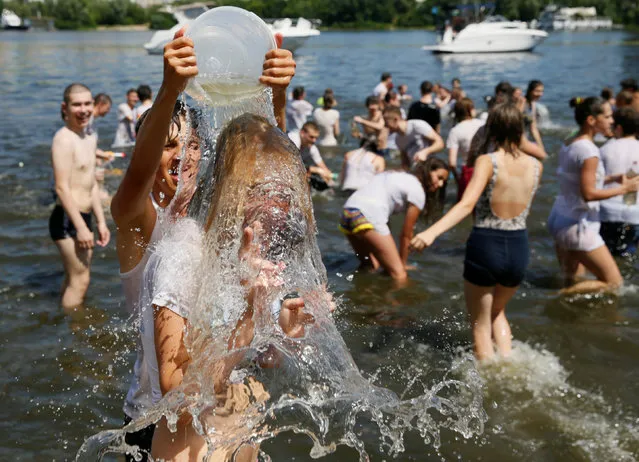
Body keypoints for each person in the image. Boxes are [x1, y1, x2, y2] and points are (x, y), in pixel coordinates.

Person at [110, 28, 296, 461]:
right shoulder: (141, 223)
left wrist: (276, 96)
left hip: (215, 401)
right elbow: (139, 173)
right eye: (169, 145)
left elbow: (266, 175)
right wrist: (170, 88)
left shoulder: (207, 221)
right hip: (157, 418)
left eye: (192, 144)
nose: (183, 155)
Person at [410, 103, 543, 361]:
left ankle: (489, 383)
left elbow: (466, 204)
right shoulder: (537, 166)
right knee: (497, 312)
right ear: (520, 129)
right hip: (519, 247)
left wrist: (431, 233)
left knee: (480, 324)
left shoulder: (488, 161)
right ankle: (508, 362)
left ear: (491, 129)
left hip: (486, 244)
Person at [547, 97, 639, 294]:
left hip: (561, 217)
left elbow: (577, 181)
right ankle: (555, 298)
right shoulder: (590, 151)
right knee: (614, 283)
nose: (611, 121)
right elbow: (588, 193)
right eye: (606, 117)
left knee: (571, 277)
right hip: (578, 225)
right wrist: (625, 189)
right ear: (591, 120)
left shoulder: (570, 141)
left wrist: (613, 178)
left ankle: (561, 308)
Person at [50, 83, 111, 312]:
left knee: (74, 276)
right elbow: (61, 188)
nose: (84, 109)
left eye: (87, 103)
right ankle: (74, 327)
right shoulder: (63, 140)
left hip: (84, 217)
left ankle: (62, 316)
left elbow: (91, 184)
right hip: (67, 219)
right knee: (81, 279)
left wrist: (101, 221)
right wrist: (81, 227)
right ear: (65, 108)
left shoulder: (89, 136)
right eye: (77, 105)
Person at [339, 158, 449, 281]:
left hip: (348, 213)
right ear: (429, 170)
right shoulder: (418, 192)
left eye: (443, 181)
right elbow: (406, 235)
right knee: (400, 275)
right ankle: (394, 300)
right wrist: (402, 264)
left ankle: (360, 294)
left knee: (370, 266)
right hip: (367, 216)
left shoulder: (396, 174)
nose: (440, 184)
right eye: (439, 178)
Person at [599, 107, 639, 256]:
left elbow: (595, 181)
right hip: (634, 214)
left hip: (606, 212)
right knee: (627, 257)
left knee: (605, 258)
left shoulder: (605, 149)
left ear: (619, 128)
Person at [383, 106, 444, 170]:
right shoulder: (397, 139)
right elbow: (405, 163)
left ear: (396, 119)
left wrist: (425, 152)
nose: (384, 125)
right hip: (417, 171)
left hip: (431, 166)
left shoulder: (417, 125)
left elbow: (440, 143)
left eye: (386, 122)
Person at [447, 98, 484, 195]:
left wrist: (457, 179)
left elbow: (452, 163)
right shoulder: (482, 124)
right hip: (485, 166)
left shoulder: (455, 131)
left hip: (468, 171)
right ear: (470, 110)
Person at [288, 122, 333, 186]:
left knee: (322, 183)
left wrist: (329, 179)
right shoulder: (294, 139)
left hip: (296, 165)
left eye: (316, 138)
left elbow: (323, 167)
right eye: (311, 137)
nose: (314, 140)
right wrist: (316, 170)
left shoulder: (312, 147)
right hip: (283, 164)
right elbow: (291, 164)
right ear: (302, 133)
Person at [522, 80, 545, 150]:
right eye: (537, 91)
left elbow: (533, 128)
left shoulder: (533, 105)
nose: (540, 94)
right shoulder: (522, 102)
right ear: (530, 91)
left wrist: (541, 147)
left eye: (541, 91)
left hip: (525, 140)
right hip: (517, 141)